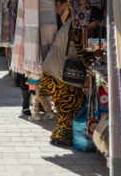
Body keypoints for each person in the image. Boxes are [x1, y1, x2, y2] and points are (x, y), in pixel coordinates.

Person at [39, 15, 93, 147]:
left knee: (67, 108)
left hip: (55, 72)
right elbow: (81, 52)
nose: (96, 27)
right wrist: (93, 68)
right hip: (58, 74)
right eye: (95, 23)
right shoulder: (76, 28)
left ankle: (56, 135)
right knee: (73, 106)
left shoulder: (73, 23)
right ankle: (62, 138)